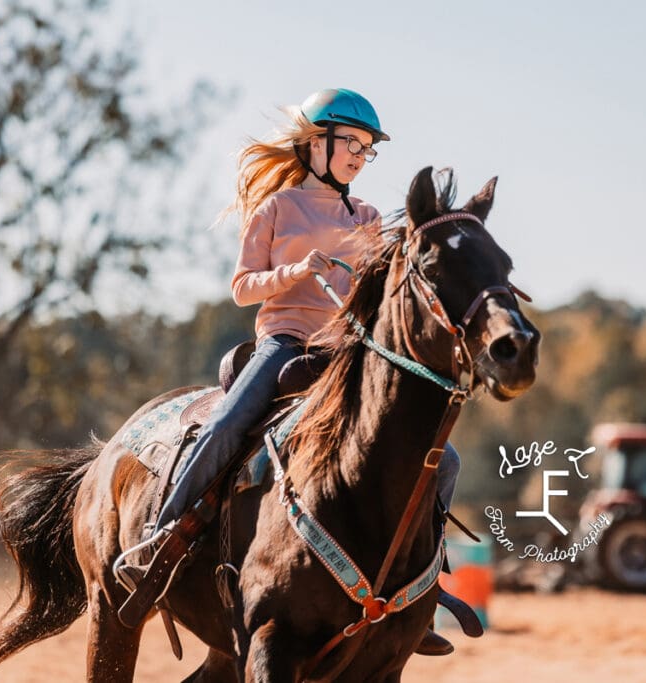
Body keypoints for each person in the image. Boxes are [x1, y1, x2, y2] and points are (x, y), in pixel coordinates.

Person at [128, 88, 461, 655]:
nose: (360, 156)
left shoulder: (369, 217)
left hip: (346, 353)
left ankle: (419, 589)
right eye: (351, 144)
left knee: (444, 457)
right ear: (316, 144)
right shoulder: (277, 210)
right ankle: (161, 544)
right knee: (225, 427)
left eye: (367, 149)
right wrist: (294, 271)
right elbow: (241, 288)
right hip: (284, 343)